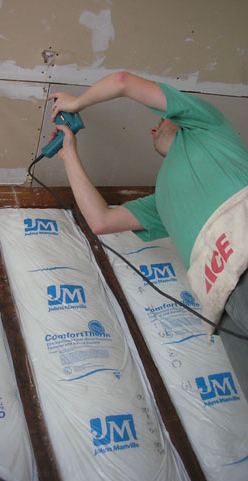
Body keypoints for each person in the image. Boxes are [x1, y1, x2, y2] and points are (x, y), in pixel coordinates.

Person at [48, 71, 248, 399]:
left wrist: (78, 102)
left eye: (162, 120)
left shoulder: (208, 127)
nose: (152, 127)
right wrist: (69, 153)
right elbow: (101, 220)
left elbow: (124, 81)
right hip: (221, 303)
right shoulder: (162, 198)